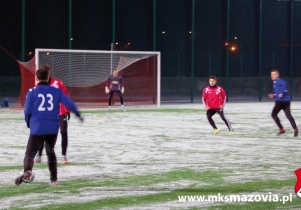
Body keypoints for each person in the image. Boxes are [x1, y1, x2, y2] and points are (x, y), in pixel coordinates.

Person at [15, 65, 83, 186]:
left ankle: (27, 171)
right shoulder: (56, 92)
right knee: (50, 152)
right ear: (48, 77)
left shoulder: (32, 91)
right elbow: (69, 103)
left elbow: (27, 110)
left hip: (37, 128)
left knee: (29, 153)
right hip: (52, 129)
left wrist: (28, 121)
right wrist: (78, 114)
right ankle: (54, 179)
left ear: (36, 77)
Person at [34, 66, 71, 164]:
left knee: (63, 131)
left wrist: (67, 109)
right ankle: (39, 154)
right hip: (46, 113)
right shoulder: (39, 85)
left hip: (60, 111)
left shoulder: (57, 83)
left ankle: (64, 156)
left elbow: (66, 94)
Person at [268, 69, 298, 137]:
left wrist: (282, 92)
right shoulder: (275, 82)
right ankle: (295, 129)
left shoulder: (278, 80)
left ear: (277, 75)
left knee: (273, 114)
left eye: (274, 74)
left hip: (280, 102)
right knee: (288, 115)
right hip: (286, 101)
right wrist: (274, 95)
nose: (272, 75)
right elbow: (278, 93)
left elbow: (285, 84)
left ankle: (282, 129)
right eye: (271, 74)